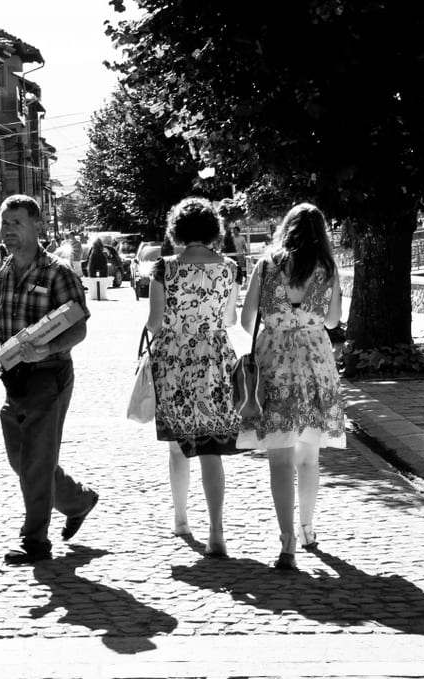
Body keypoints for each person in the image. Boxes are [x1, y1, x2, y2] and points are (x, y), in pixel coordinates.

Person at [0, 194, 98, 565]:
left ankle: (35, 542)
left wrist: (46, 351)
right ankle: (79, 500)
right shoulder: (6, 270)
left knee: (36, 461)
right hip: (13, 377)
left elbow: (79, 330)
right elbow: (4, 322)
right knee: (22, 459)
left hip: (49, 376)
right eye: (4, 222)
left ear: (38, 226)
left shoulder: (58, 272)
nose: (8, 230)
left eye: (16, 222)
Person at [237, 202, 345, 571]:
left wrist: (276, 320)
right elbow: (333, 321)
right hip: (316, 362)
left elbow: (245, 320)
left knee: (279, 458)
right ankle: (307, 528)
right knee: (308, 456)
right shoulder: (327, 270)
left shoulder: (266, 265)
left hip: (274, 362)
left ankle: (286, 543)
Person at [146, 197, 242, 558]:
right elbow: (230, 320)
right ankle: (216, 532)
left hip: (174, 361)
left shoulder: (165, 268)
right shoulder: (229, 267)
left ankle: (182, 519)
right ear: (213, 229)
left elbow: (154, 324)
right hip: (216, 361)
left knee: (178, 444)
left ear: (178, 230)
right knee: (211, 448)